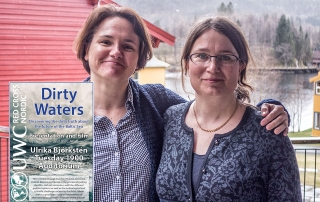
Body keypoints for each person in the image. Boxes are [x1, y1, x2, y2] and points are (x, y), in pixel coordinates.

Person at [73, 4, 290, 202]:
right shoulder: (53, 116)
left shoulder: (156, 102)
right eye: (105, 42)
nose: (116, 52)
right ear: (86, 49)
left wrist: (269, 110)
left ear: (139, 58)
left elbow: (211, 106)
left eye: (128, 46)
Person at [156, 16, 301, 201]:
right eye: (202, 56)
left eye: (225, 58)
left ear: (241, 65)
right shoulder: (170, 120)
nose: (212, 67)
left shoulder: (268, 132)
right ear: (186, 64)